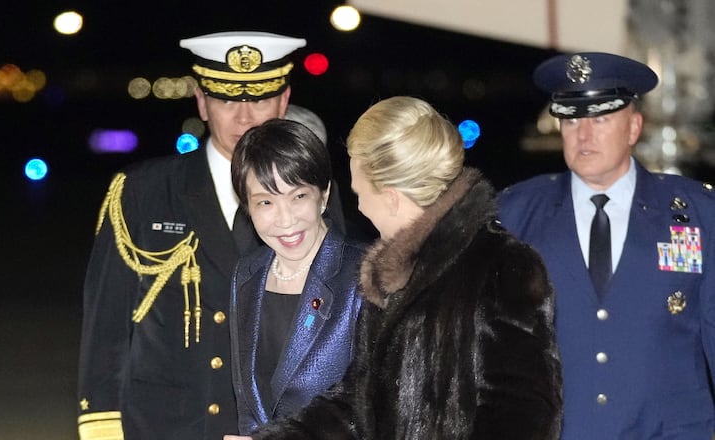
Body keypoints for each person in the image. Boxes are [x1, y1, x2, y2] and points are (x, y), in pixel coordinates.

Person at [240, 96, 563, 439]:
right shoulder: (392, 277)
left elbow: (523, 418)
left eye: (359, 191)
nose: (359, 206)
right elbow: (357, 403)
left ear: (390, 196)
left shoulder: (502, 267)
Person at [77, 31, 343, 440]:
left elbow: (334, 323)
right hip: (165, 426)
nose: (244, 117)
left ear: (284, 101)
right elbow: (107, 325)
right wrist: (102, 427)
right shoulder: (143, 190)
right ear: (202, 102)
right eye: (226, 100)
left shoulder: (312, 193)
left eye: (259, 100)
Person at [498, 52, 715, 438]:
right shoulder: (515, 214)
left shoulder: (698, 213)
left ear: (633, 128)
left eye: (600, 119)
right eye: (572, 120)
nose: (584, 135)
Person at [226, 118, 364, 436]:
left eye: (298, 196)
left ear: (324, 194)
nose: (285, 220)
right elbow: (248, 406)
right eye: (265, 202)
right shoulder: (247, 274)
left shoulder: (364, 274)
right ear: (247, 207)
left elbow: (376, 410)